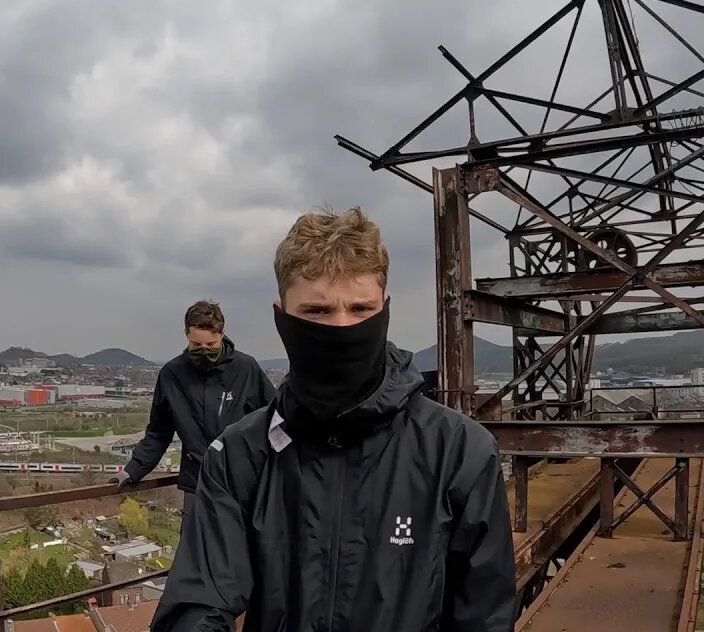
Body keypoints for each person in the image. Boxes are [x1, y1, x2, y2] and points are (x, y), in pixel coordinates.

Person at [151, 207, 515, 632]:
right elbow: (196, 604)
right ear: (281, 314)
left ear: (386, 307)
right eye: (318, 312)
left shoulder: (458, 453)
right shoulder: (238, 457)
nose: (343, 327)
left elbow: (484, 616)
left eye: (361, 309)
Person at [111, 300, 276, 530]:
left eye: (211, 343)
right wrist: (133, 470)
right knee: (195, 556)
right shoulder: (172, 375)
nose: (204, 350)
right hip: (197, 484)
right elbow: (159, 432)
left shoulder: (245, 369)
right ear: (186, 335)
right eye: (196, 344)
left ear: (222, 334)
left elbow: (274, 421)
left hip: (244, 483)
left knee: (243, 555)